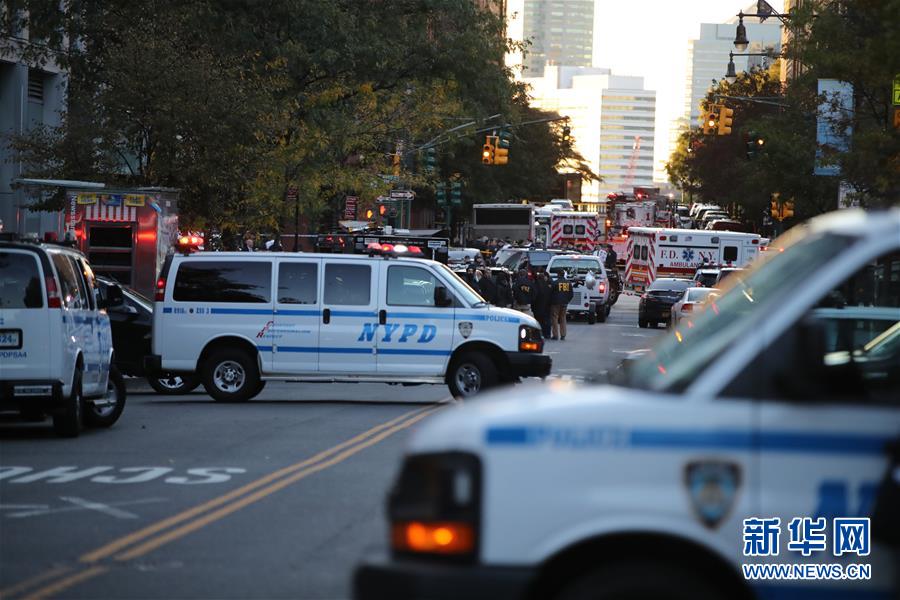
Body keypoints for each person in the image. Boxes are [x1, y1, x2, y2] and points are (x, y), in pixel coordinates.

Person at [550, 270, 574, 340]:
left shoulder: (555, 283)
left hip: (555, 303)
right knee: (563, 318)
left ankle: (555, 335)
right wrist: (567, 300)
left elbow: (550, 293)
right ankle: (563, 334)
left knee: (555, 318)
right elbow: (571, 294)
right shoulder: (568, 283)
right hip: (564, 303)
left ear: (558, 274)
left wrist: (551, 301)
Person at [533, 271, 552, 338]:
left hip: (538, 306)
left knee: (538, 320)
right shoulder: (548, 286)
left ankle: (539, 334)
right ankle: (548, 334)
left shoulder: (536, 285)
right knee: (547, 320)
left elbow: (534, 296)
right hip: (547, 306)